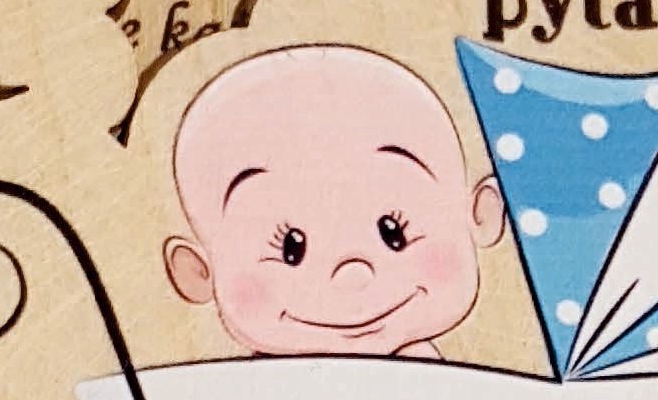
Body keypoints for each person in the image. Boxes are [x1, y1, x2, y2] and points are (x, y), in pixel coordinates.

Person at [164, 45, 505, 358]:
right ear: (198, 272)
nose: (354, 275)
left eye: (393, 233)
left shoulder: (445, 388)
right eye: (292, 250)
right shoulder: (243, 393)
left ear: (481, 214)